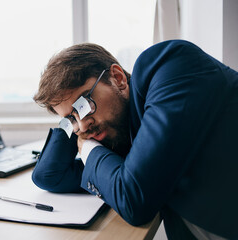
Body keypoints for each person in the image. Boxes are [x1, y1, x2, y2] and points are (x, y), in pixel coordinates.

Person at [31, 40, 238, 240]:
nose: (83, 126)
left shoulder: (170, 65)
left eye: (84, 103)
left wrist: (87, 148)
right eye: (70, 119)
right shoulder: (120, 134)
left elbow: (133, 200)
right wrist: (75, 121)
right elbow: (49, 175)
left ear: (118, 78)